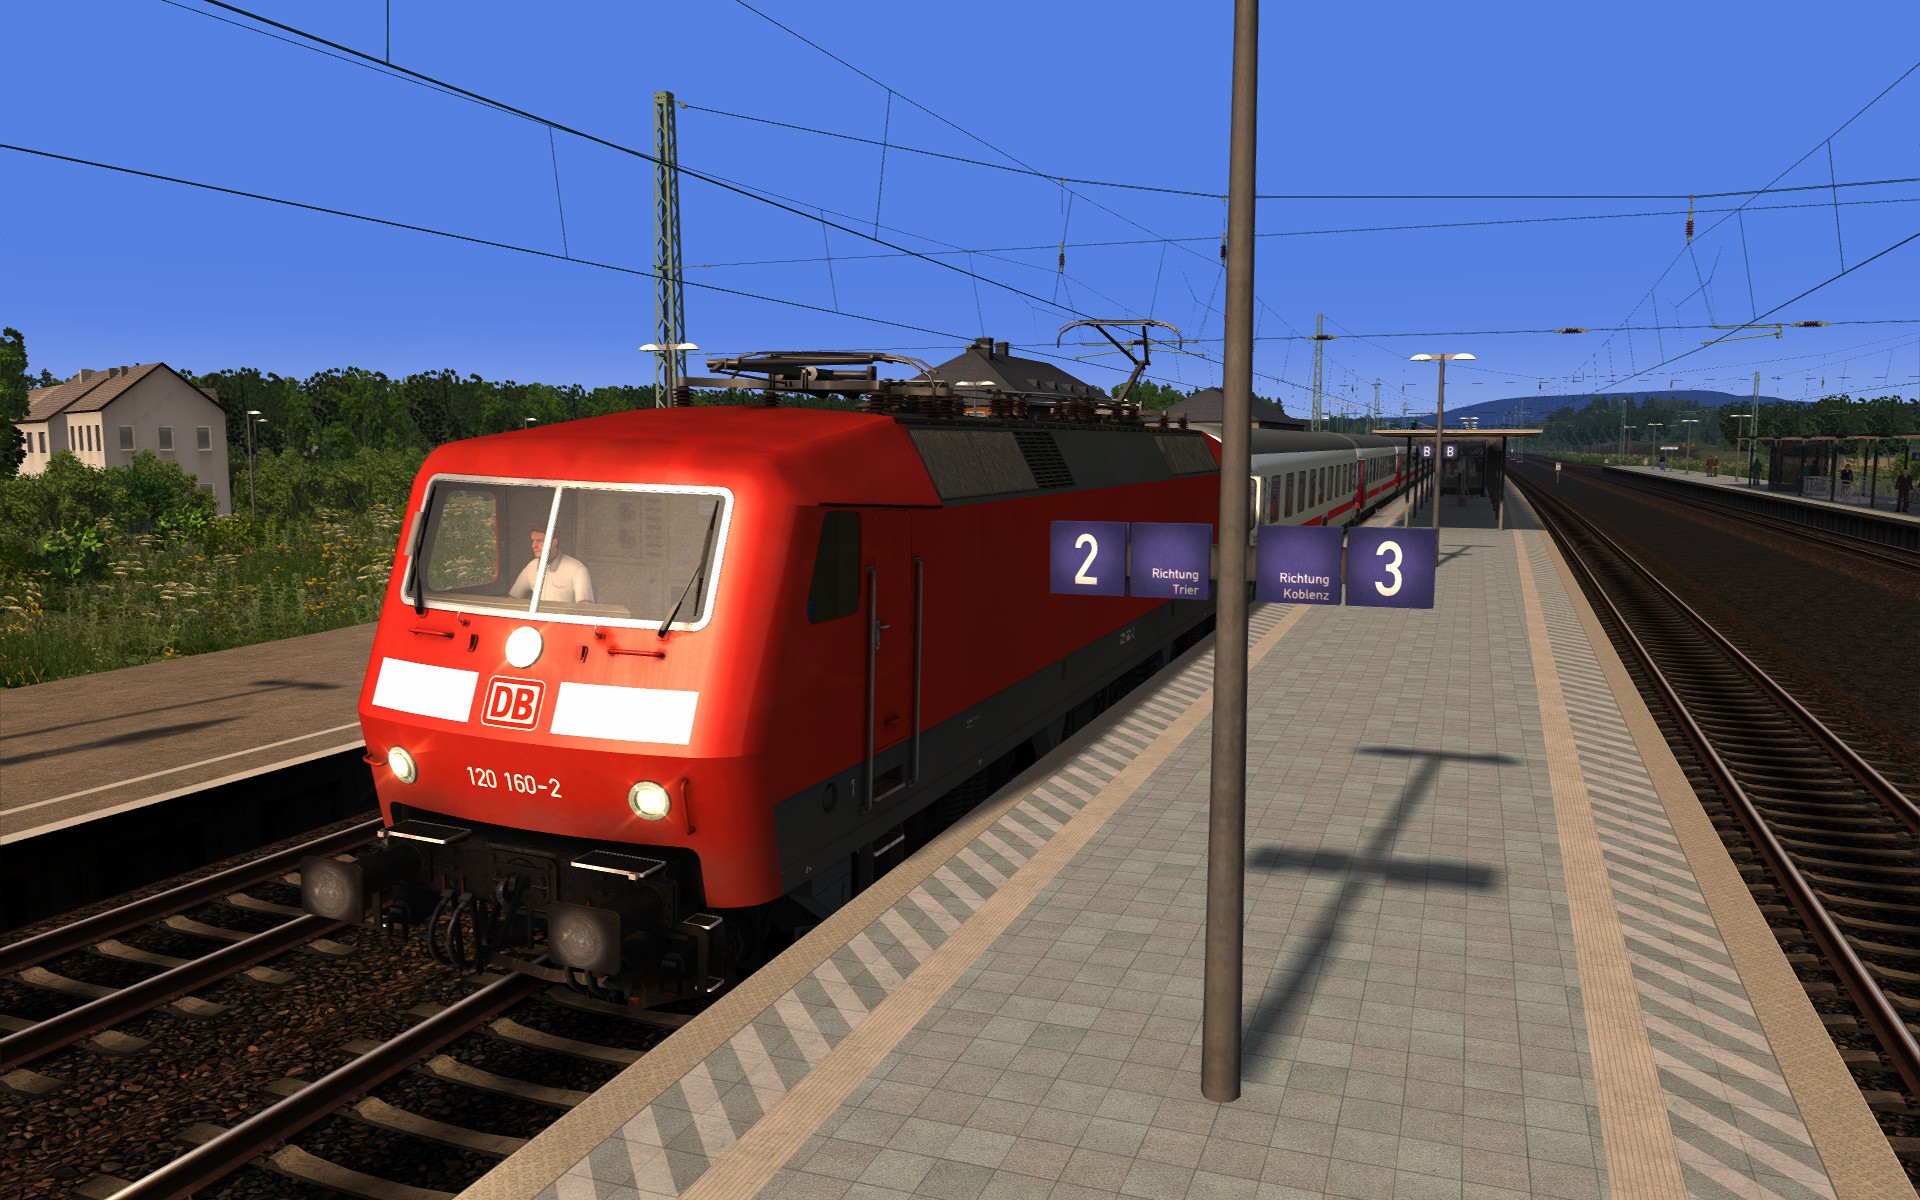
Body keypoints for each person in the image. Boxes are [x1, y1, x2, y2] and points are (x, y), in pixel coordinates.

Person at [509, 526, 594, 603]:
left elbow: (585, 608)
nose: (533, 545)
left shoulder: (577, 569)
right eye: (533, 541)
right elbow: (512, 599)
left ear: (554, 542)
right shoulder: (531, 567)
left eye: (539, 541)